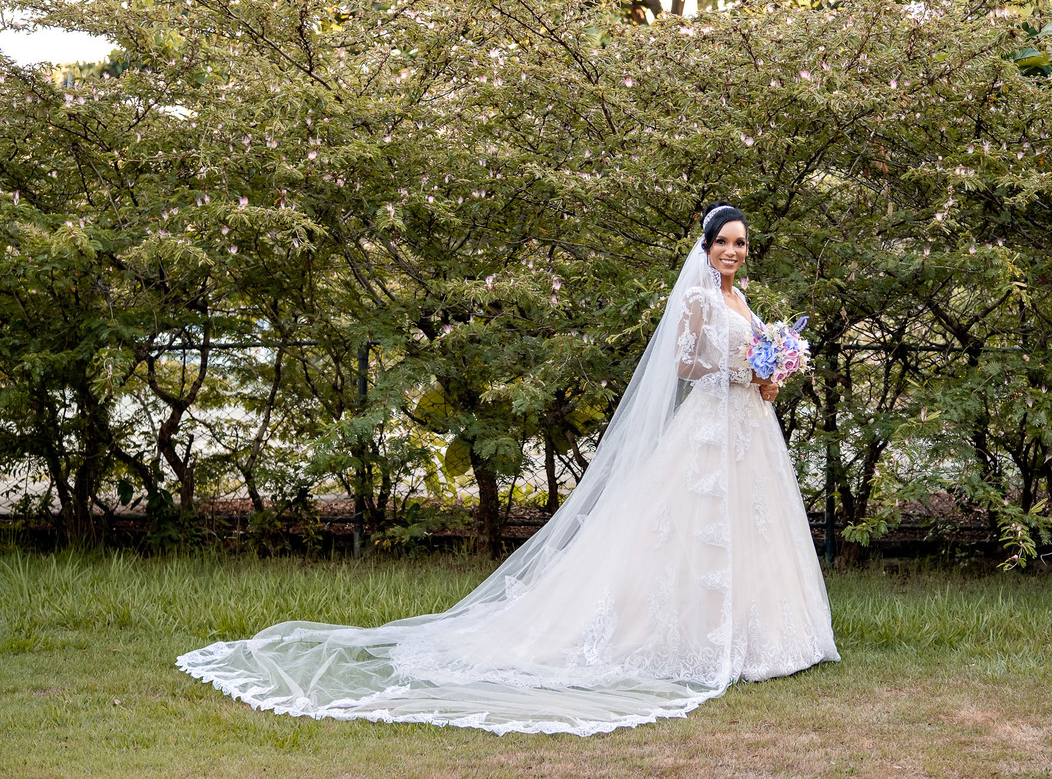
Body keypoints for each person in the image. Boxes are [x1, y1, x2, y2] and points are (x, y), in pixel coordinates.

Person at [178, 202, 840, 736]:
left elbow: (753, 359)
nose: (732, 251)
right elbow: (686, 368)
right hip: (706, 427)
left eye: (742, 243)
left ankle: (764, 640)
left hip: (749, 428)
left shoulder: (741, 298)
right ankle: (681, 641)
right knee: (686, 531)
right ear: (705, 247)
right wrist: (744, 367)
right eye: (723, 242)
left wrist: (771, 372)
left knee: (751, 530)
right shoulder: (697, 301)